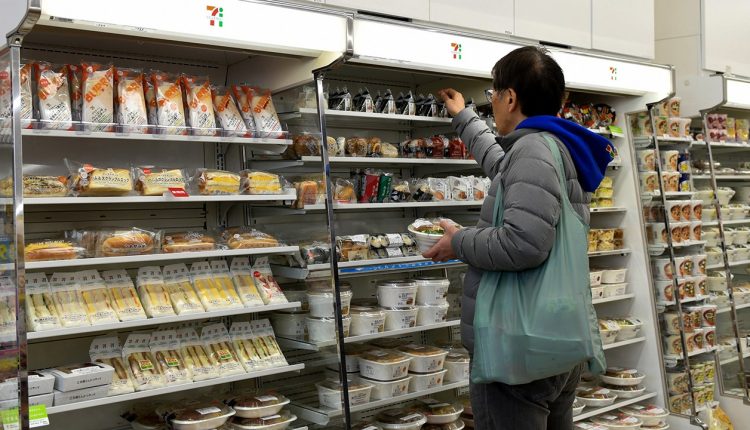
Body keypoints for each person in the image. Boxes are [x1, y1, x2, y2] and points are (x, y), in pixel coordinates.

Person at [425, 46, 612, 429]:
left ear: (510, 98)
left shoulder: (532, 150)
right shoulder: (554, 146)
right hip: (554, 337)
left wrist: (458, 241)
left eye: (493, 94)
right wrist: (464, 117)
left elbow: (523, 243)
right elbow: (504, 169)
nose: (492, 101)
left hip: (519, 349)